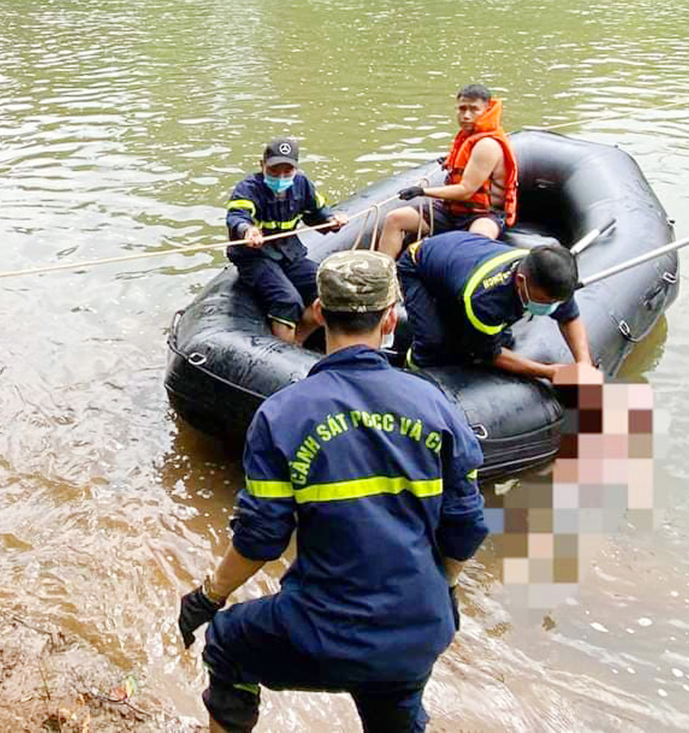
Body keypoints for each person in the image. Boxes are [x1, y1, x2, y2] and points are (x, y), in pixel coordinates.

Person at [178, 251, 487, 733]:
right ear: (390, 317)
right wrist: (441, 591)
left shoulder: (283, 414)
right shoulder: (438, 405)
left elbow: (261, 538)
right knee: (396, 699)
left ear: (319, 312)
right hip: (419, 630)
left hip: (321, 630)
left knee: (228, 643)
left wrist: (208, 596)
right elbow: (467, 527)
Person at [396, 231, 592, 381]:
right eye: (545, 302)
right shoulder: (486, 300)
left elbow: (569, 317)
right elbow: (490, 354)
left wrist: (584, 363)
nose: (551, 307)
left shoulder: (554, 282)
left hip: (462, 259)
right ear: (521, 281)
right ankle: (411, 369)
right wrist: (548, 372)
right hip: (418, 265)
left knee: (497, 338)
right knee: (434, 342)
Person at [226, 138, 348, 344]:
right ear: (262, 166)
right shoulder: (248, 189)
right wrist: (248, 230)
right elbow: (237, 216)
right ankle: (285, 350)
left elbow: (316, 212)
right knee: (287, 300)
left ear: (296, 169)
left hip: (289, 253)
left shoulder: (302, 185)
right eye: (274, 171)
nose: (281, 177)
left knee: (331, 289)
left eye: (287, 171)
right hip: (257, 257)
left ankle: (299, 338)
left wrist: (331, 220)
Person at [378, 85, 519, 259]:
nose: (466, 115)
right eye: (462, 109)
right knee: (395, 219)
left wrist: (422, 192)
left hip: (483, 215)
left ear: (487, 109)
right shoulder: (466, 138)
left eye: (474, 109)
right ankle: (383, 276)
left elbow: (466, 191)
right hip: (450, 211)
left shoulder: (487, 145)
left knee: (474, 242)